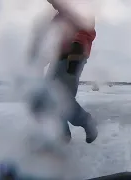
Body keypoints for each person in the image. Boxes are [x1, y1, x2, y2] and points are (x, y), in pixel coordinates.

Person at [30, 0, 98, 144]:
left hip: (74, 56)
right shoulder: (60, 15)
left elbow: (87, 29)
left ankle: (87, 122)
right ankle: (63, 138)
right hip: (60, 57)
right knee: (49, 97)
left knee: (62, 99)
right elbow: (51, 38)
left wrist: (78, 48)